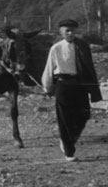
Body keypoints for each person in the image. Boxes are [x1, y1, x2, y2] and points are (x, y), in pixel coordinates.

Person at [41, 19, 102, 161]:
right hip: (63, 84)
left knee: (84, 114)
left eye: (73, 30)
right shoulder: (56, 48)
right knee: (65, 118)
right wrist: (47, 86)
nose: (70, 33)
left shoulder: (83, 47)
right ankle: (69, 152)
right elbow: (49, 68)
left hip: (80, 84)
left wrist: (92, 86)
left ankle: (68, 139)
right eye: (67, 30)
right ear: (61, 32)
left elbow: (89, 67)